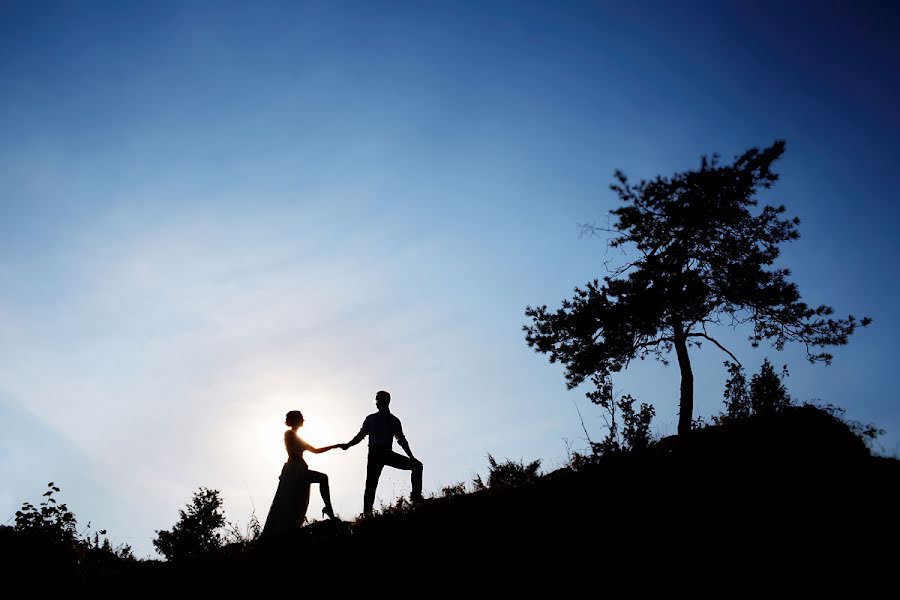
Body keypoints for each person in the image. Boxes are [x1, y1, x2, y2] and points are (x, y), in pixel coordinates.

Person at [340, 390, 423, 516]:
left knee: (417, 466)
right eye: (376, 400)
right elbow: (361, 435)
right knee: (370, 485)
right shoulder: (371, 418)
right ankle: (367, 514)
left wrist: (411, 457)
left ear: (386, 401)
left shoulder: (394, 420)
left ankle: (416, 499)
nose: (377, 403)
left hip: (386, 453)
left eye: (378, 400)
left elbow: (401, 440)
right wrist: (349, 444)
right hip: (374, 454)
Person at [261, 410, 339, 539]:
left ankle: (328, 510)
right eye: (300, 418)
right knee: (300, 493)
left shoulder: (297, 437)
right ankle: (328, 509)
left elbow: (316, 450)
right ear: (295, 420)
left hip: (298, 468)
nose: (302, 420)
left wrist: (335, 446)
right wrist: (302, 463)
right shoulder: (289, 434)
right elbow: (293, 452)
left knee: (297, 498)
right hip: (294, 470)